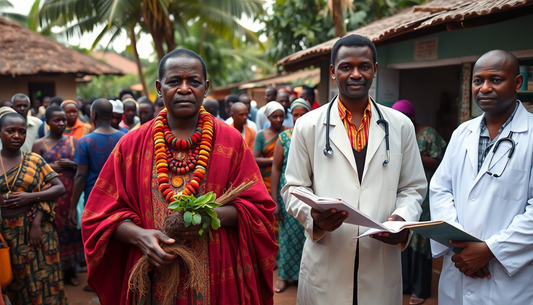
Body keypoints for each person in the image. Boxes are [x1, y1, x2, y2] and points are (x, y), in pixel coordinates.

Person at [81, 48, 277, 305]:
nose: (184, 89)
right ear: (159, 88)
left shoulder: (231, 142)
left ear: (205, 88)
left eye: (193, 82)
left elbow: (259, 210)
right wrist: (140, 236)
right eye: (174, 81)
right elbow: (98, 216)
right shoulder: (132, 145)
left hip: (216, 275)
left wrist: (210, 217)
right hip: (151, 276)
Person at [281, 34, 426, 305]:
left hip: (379, 258)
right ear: (334, 72)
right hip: (328, 258)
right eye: (346, 67)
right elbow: (293, 187)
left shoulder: (400, 125)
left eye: (365, 66)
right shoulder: (308, 125)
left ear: (375, 70)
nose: (356, 74)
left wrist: (401, 217)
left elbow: (413, 187)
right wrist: (313, 218)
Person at [430, 50, 533, 304]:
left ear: (517, 83)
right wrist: (460, 246)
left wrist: (490, 250)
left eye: (496, 80)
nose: (485, 88)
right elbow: (441, 189)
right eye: (478, 81)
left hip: (508, 279)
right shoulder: (462, 133)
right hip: (459, 265)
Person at [0, 112, 67, 304]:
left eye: (22, 132)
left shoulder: (34, 160)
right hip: (8, 232)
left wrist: (29, 199)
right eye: (10, 131)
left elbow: (58, 188)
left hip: (39, 229)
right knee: (17, 279)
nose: (16, 136)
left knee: (46, 276)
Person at [392, 99, 446, 305]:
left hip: (424, 197)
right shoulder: (395, 133)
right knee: (404, 238)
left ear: (412, 118)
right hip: (401, 195)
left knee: (421, 241)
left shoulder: (428, 134)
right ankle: (405, 284)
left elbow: (439, 161)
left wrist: (413, 153)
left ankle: (420, 289)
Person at [32, 105, 83, 287]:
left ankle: (71, 272)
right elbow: (33, 172)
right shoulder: (39, 145)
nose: (62, 123)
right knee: (54, 233)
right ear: (47, 122)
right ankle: (56, 273)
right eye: (57, 120)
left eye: (63, 120)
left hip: (71, 196)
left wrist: (72, 164)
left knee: (71, 231)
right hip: (50, 198)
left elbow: (82, 169)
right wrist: (49, 168)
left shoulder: (73, 142)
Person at [270, 98, 311, 293]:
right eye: (296, 115)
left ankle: (306, 277)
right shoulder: (284, 137)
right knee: (287, 237)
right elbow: (276, 169)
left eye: (303, 114)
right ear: (291, 116)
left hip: (310, 194)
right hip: (288, 195)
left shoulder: (316, 135)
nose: (299, 118)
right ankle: (285, 277)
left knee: (309, 237)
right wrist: (274, 200)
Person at [70, 98, 125, 226]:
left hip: (93, 198)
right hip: (119, 198)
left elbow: (81, 176)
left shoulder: (85, 141)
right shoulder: (124, 137)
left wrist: (73, 207)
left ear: (93, 114)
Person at [253, 101, 286, 194]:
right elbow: (255, 159)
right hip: (268, 179)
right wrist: (275, 160)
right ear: (268, 118)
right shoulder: (261, 135)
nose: (278, 119)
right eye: (275, 117)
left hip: (286, 177)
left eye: (281, 116)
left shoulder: (289, 132)